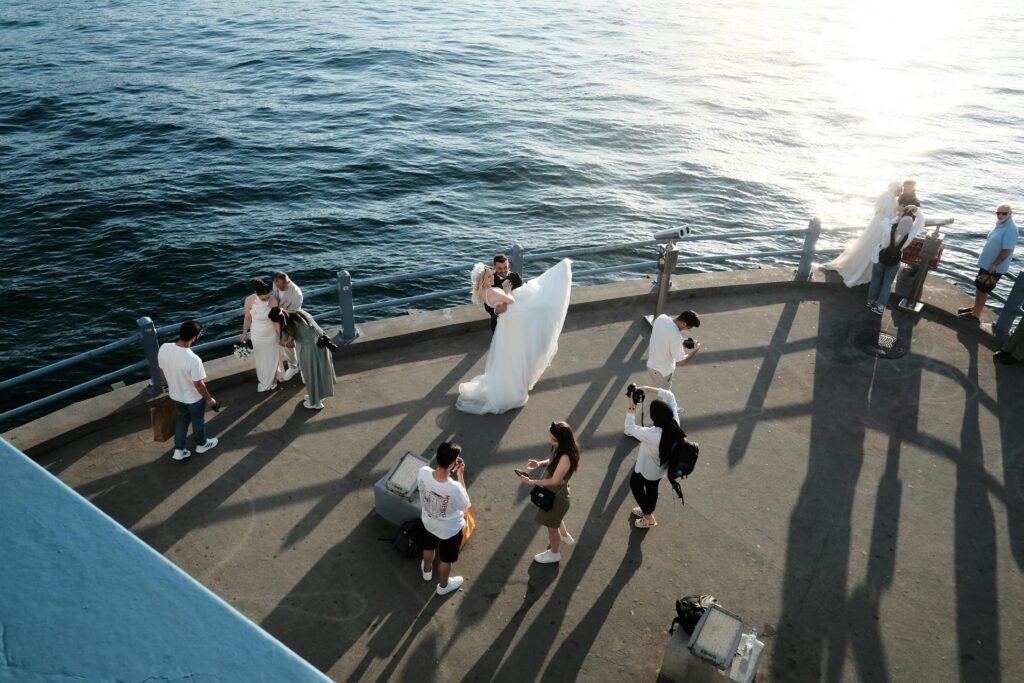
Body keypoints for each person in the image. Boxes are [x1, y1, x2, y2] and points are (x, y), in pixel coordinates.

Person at [456, 258, 573, 414]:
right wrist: (506, 290)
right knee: (541, 305)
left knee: (510, 355)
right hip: (512, 320)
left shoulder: (485, 292)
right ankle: (511, 389)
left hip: (508, 322)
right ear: (483, 280)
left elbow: (501, 307)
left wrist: (503, 301)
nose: (493, 278)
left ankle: (512, 383)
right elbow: (509, 300)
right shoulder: (490, 291)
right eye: (490, 276)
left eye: (492, 275)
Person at [516, 421, 579, 563]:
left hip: (557, 497)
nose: (550, 440)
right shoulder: (562, 448)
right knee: (556, 519)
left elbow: (554, 481)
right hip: (558, 494)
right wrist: (539, 464)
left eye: (553, 439)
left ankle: (554, 554)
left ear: (561, 440)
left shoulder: (565, 457)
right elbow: (552, 461)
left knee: (552, 528)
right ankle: (564, 535)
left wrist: (532, 482)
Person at [158, 321, 219, 461]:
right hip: (193, 399)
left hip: (176, 396)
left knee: (183, 419)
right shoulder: (193, 359)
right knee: (198, 420)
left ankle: (179, 450)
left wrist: (167, 386)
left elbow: (161, 371)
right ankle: (202, 444)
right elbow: (199, 384)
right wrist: (210, 399)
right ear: (194, 337)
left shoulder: (164, 348)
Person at [624, 384, 682, 529]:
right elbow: (670, 396)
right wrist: (647, 389)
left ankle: (648, 516)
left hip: (647, 468)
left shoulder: (652, 435)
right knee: (652, 488)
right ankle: (647, 510)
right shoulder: (674, 421)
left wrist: (632, 404)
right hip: (662, 468)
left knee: (635, 484)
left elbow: (629, 428)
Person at [825, 181, 902, 287]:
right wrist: (898, 214)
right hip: (880, 226)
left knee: (868, 245)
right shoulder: (889, 199)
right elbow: (888, 215)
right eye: (899, 190)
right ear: (893, 189)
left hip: (878, 224)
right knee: (872, 245)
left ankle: (864, 269)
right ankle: (863, 271)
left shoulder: (889, 198)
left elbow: (880, 211)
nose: (900, 192)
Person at [417, 442, 470, 596]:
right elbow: (465, 506)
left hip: (428, 521)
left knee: (428, 547)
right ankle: (443, 586)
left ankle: (427, 571)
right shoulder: (454, 488)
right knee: (446, 559)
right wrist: (460, 475)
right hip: (449, 530)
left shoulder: (423, 471)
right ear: (453, 463)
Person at [269, 307, 336, 409]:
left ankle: (316, 403)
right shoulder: (299, 313)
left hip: (310, 350)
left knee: (311, 374)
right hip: (321, 343)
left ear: (278, 320)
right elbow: (314, 326)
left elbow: (292, 345)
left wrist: (281, 343)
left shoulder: (287, 327)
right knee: (320, 371)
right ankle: (318, 396)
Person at [959, 205, 1018, 322]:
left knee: (984, 288)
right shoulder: (1000, 225)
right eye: (998, 213)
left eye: (1004, 213)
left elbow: (1008, 249)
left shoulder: (1011, 228)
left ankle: (976, 315)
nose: (1000, 215)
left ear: (1010, 214)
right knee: (979, 286)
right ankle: (974, 308)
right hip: (987, 263)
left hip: (994, 267)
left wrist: (995, 264)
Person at [866, 213, 924, 315]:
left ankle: (870, 301)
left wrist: (897, 219)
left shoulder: (888, 230)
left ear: (900, 222)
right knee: (887, 284)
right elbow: (920, 223)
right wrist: (917, 210)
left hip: (881, 259)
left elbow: (883, 221)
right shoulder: (910, 235)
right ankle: (880, 307)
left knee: (875, 279)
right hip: (894, 262)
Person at [240, 279, 280, 392]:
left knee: (273, 357)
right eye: (264, 298)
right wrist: (244, 333)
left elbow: (276, 321)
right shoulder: (249, 300)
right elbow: (247, 318)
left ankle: (273, 379)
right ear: (257, 295)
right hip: (257, 334)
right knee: (261, 359)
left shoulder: (273, 301)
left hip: (271, 333)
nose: (267, 299)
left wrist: (279, 336)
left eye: (268, 297)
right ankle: (264, 379)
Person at [646, 310, 701, 389]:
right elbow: (681, 362)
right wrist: (695, 350)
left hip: (651, 365)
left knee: (652, 393)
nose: (688, 330)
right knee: (661, 398)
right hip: (662, 373)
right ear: (684, 324)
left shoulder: (661, 318)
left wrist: (682, 342)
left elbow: (664, 337)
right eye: (688, 328)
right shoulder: (676, 337)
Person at [272, 272, 304, 381]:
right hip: (279, 319)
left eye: (282, 287)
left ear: (288, 282)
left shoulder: (297, 294)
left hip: (293, 319)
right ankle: (293, 366)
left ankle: (303, 369)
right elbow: (275, 298)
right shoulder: (276, 284)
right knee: (285, 344)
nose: (279, 289)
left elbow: (291, 313)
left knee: (299, 345)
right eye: (278, 287)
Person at [483, 253, 523, 334]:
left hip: (516, 319)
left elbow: (522, 295)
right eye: (500, 268)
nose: (503, 270)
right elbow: (487, 305)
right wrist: (496, 311)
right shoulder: (490, 281)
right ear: (494, 267)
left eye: (505, 267)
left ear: (508, 264)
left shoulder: (515, 276)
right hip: (499, 322)